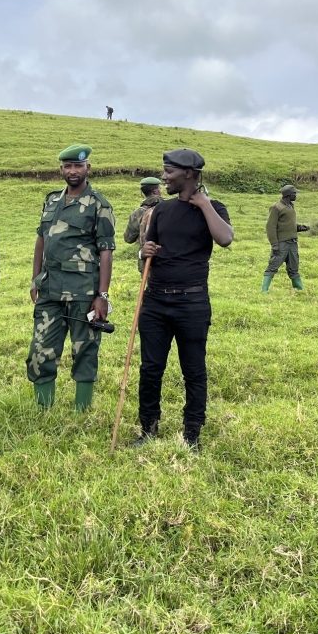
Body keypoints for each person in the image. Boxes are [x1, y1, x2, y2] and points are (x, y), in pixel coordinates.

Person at [134, 148, 233, 450]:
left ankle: (192, 434)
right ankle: (148, 428)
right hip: (155, 302)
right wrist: (144, 252)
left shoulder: (214, 208)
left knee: (193, 369)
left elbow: (225, 238)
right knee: (150, 368)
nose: (163, 177)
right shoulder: (161, 210)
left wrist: (203, 204)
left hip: (192, 303)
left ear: (188, 174)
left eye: (169, 171)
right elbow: (148, 246)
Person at [27, 144, 116, 412]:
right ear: (62, 169)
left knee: (85, 351)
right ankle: (43, 410)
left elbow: (106, 252)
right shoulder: (51, 200)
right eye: (68, 166)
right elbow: (41, 241)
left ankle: (82, 411)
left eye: (78, 166)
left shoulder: (99, 204)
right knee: (40, 351)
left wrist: (102, 296)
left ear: (88, 168)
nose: (73, 171)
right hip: (50, 290)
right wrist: (35, 279)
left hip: (83, 292)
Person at [261, 184, 310, 292]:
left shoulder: (291, 206)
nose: (296, 195)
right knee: (273, 266)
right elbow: (270, 226)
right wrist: (274, 243)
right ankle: (264, 290)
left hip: (293, 243)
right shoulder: (276, 207)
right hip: (281, 243)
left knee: (294, 267)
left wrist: (299, 228)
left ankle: (299, 289)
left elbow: (287, 224)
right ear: (289, 195)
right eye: (294, 193)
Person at [124, 176, 163, 274]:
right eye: (160, 188)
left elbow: (128, 238)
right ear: (155, 191)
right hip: (169, 261)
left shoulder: (137, 213)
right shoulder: (169, 207)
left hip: (147, 264)